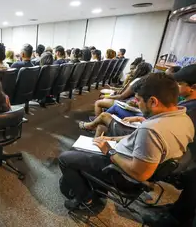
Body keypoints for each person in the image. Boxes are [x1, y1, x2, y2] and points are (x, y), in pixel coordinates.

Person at [59, 73, 194, 209]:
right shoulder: (184, 118)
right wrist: (111, 139)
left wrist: (109, 151)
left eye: (138, 100)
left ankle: (86, 199)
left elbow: (140, 174)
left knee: (65, 158)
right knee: (85, 149)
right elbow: (137, 140)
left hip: (122, 174)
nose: (136, 104)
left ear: (153, 101)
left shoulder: (151, 130)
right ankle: (93, 186)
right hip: (128, 159)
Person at [83, 64, 196, 139]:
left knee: (104, 117)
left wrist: (109, 145)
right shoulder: (184, 108)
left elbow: (142, 138)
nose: (175, 86)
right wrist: (139, 118)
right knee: (102, 125)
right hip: (142, 127)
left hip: (138, 138)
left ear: (193, 87)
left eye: (179, 83)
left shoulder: (190, 111)